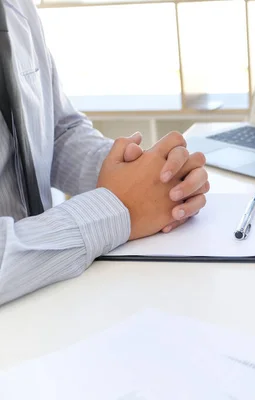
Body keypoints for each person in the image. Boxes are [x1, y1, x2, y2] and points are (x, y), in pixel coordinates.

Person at [0, 0, 210, 306]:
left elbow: (57, 130)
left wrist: (141, 175)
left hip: (53, 294)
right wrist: (115, 207)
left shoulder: (17, 6)